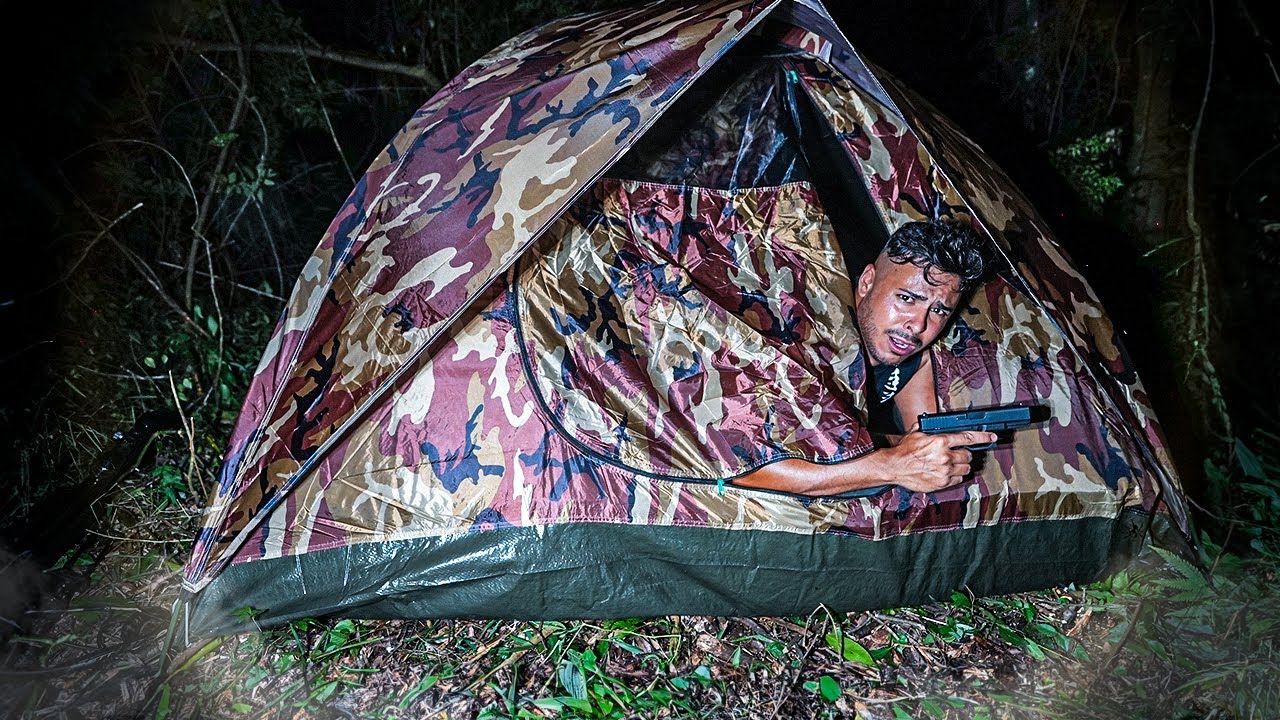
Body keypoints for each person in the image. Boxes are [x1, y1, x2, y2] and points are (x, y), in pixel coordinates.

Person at [732, 218, 995, 496]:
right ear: (867, 282)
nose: (918, 324)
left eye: (939, 311)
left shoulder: (914, 360)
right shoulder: (803, 341)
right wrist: (889, 465)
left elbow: (920, 442)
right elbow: (738, 467)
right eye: (907, 299)